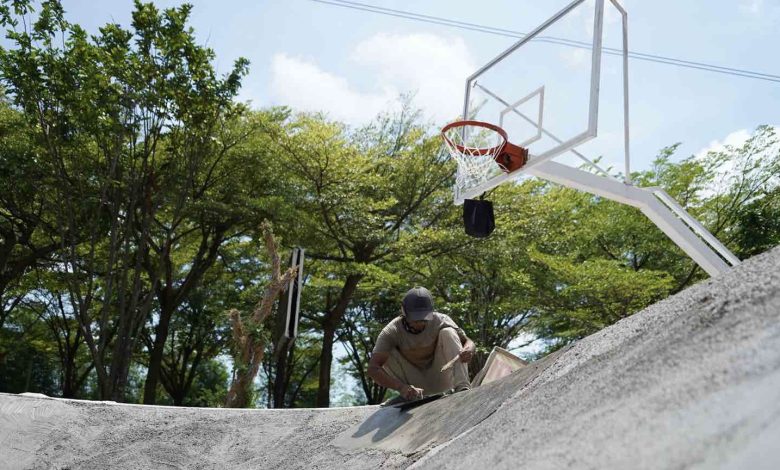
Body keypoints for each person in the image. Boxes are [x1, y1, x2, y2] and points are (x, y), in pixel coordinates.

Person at [367, 286, 476, 403]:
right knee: (386, 349)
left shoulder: (441, 320)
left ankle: (462, 387)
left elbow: (469, 342)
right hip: (413, 387)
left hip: (442, 376)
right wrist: (401, 387)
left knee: (448, 332)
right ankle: (407, 394)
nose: (420, 323)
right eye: (415, 319)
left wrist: (469, 349)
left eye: (424, 319)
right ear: (404, 311)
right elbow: (373, 368)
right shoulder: (391, 331)